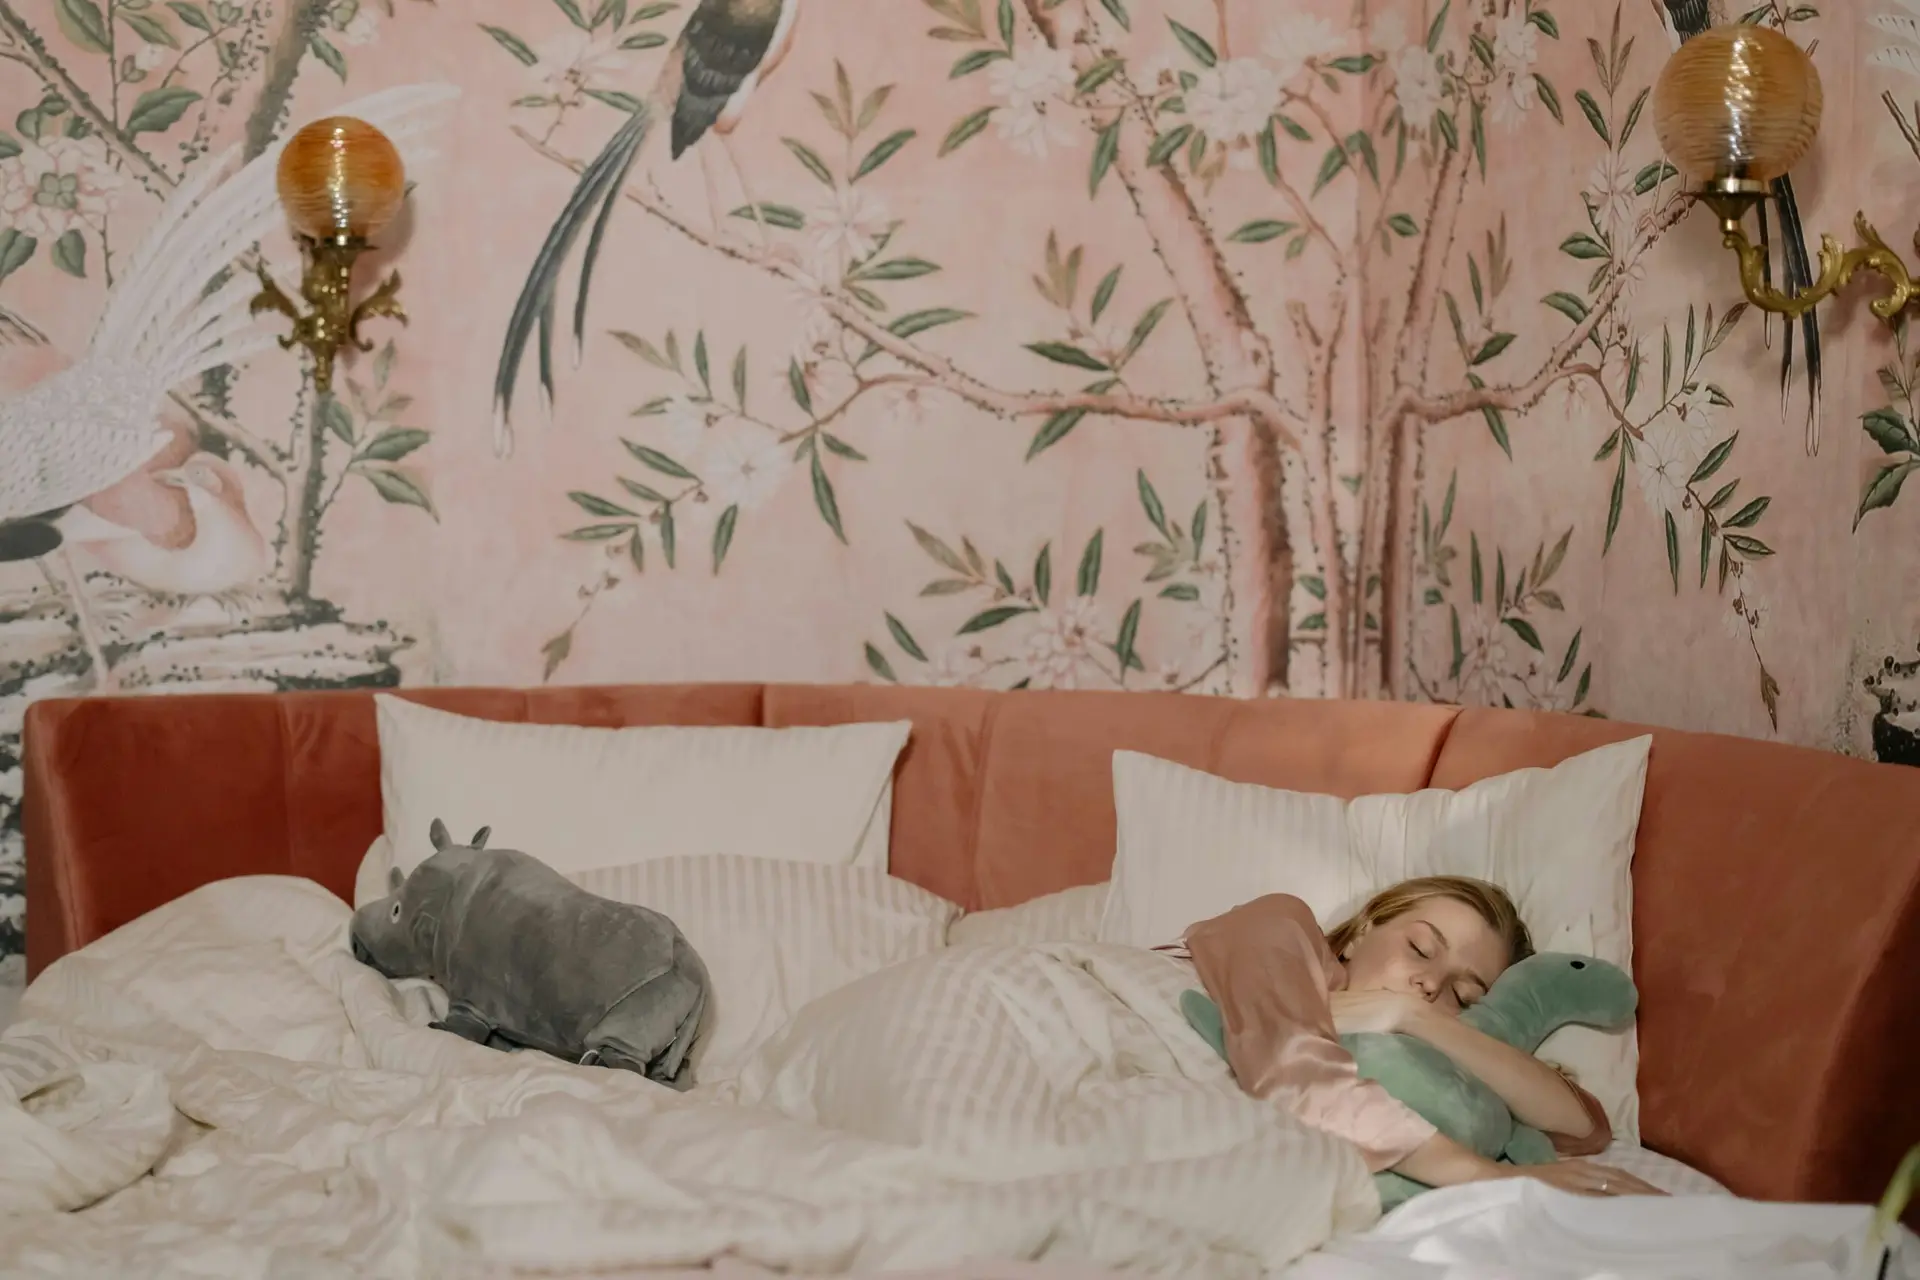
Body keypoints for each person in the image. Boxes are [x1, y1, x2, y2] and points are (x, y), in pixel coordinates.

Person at [1165, 875, 1664, 1197]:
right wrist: (1491, 1177)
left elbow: (1584, 1129)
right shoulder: (1279, 923)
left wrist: (1414, 1017)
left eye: (1464, 994)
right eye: (1421, 949)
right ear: (1365, 928)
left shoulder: (1413, 1051)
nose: (1431, 984)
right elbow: (1294, 1068)